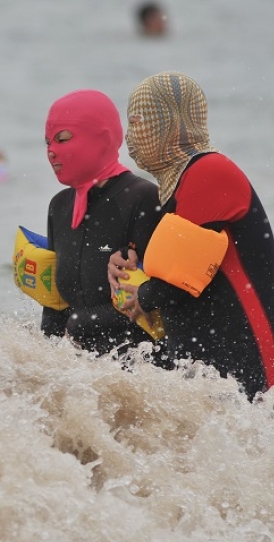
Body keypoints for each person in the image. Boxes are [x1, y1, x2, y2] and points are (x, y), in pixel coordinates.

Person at [108, 72, 274, 406]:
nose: (129, 137)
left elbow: (177, 281)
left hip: (262, 362)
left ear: (169, 124)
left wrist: (141, 296)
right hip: (208, 366)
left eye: (137, 122)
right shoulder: (174, 187)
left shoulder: (209, 171)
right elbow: (176, 263)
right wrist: (124, 263)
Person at [40, 89, 167, 363]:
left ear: (104, 139)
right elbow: (54, 308)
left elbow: (164, 300)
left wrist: (79, 322)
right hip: (83, 373)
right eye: (48, 142)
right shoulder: (59, 207)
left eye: (63, 138)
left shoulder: (143, 198)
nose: (52, 151)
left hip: (144, 369)